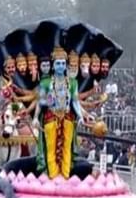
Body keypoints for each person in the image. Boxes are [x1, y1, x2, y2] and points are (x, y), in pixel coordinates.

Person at [33, 46, 92, 178]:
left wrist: (81, 116)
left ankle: (65, 176)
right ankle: (53, 176)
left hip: (67, 118)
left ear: (66, 65)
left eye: (63, 63)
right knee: (51, 148)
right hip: (50, 117)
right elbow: (41, 102)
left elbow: (75, 102)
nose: (61, 66)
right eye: (58, 63)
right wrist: (36, 117)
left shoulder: (72, 82)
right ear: (53, 65)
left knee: (67, 148)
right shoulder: (46, 82)